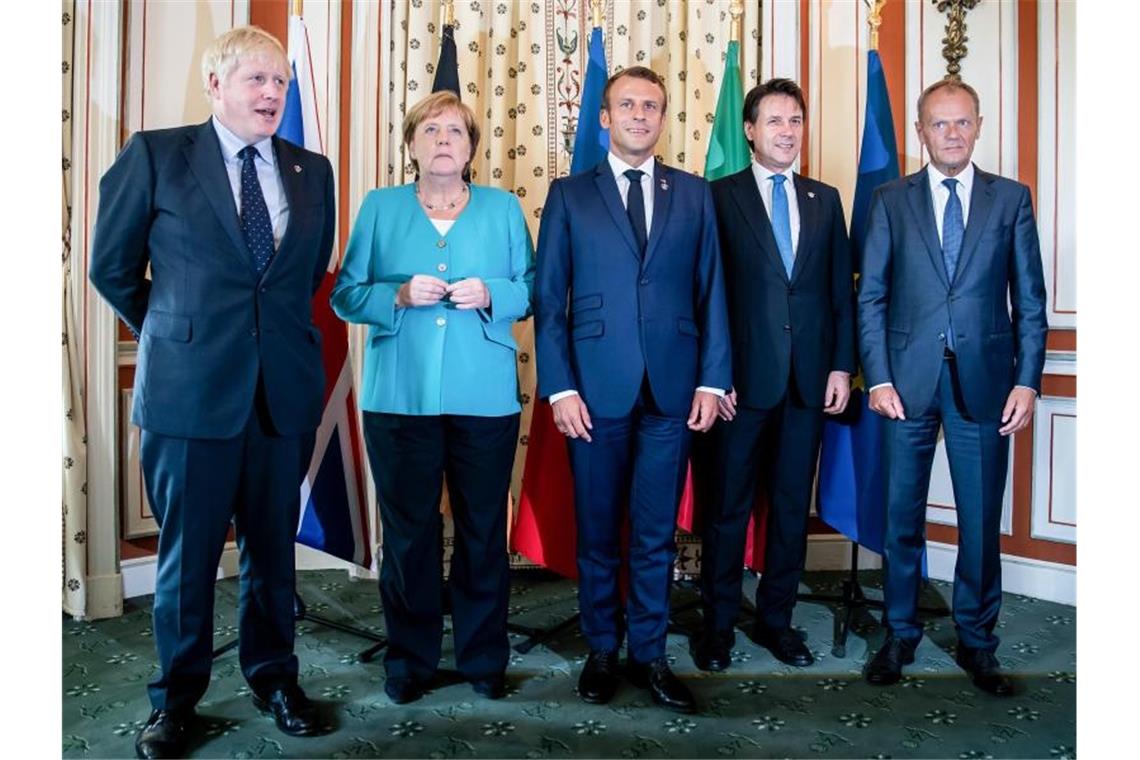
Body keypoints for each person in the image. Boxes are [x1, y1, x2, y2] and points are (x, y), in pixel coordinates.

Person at [88, 26, 335, 759]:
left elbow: (302, 277)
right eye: (257, 80)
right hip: (189, 397)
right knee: (188, 557)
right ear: (216, 85)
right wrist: (175, 332)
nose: (271, 94)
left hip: (281, 397)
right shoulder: (157, 155)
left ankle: (274, 678)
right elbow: (111, 267)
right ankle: (175, 699)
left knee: (273, 555)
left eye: (281, 83)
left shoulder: (311, 170)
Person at [534, 66, 731, 714]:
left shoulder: (695, 195)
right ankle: (601, 649)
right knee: (598, 532)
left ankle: (650, 653)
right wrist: (560, 389)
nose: (640, 115)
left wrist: (712, 377)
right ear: (605, 117)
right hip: (594, 393)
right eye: (628, 104)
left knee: (654, 534)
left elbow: (712, 293)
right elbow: (549, 302)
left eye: (651, 104)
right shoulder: (570, 194)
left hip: (673, 391)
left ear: (663, 115)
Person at [331, 90, 535, 706]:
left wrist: (493, 292)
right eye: (431, 129)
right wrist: (393, 296)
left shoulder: (503, 209)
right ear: (412, 143)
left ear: (472, 148)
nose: (444, 139)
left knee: (480, 535)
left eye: (456, 131)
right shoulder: (380, 207)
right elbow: (346, 293)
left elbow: (532, 289)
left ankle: (482, 657)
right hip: (399, 399)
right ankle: (410, 659)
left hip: (485, 399)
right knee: (410, 535)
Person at [858, 79, 1047, 695]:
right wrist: (879, 376)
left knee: (978, 519)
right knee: (901, 520)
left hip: (987, 386)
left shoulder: (1011, 200)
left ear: (979, 125)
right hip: (905, 388)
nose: (952, 134)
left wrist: (1028, 382)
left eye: (962, 123)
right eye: (939, 124)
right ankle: (900, 634)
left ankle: (978, 642)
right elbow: (873, 297)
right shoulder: (890, 200)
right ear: (920, 132)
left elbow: (1032, 304)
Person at [692, 79, 856, 672]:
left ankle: (776, 623)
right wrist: (713, 377)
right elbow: (702, 294)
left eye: (796, 120)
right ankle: (716, 627)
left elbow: (841, 293)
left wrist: (842, 365)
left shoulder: (824, 199)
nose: (788, 131)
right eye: (776, 121)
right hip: (738, 386)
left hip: (808, 384)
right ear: (750, 130)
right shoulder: (715, 196)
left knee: (790, 510)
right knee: (727, 510)